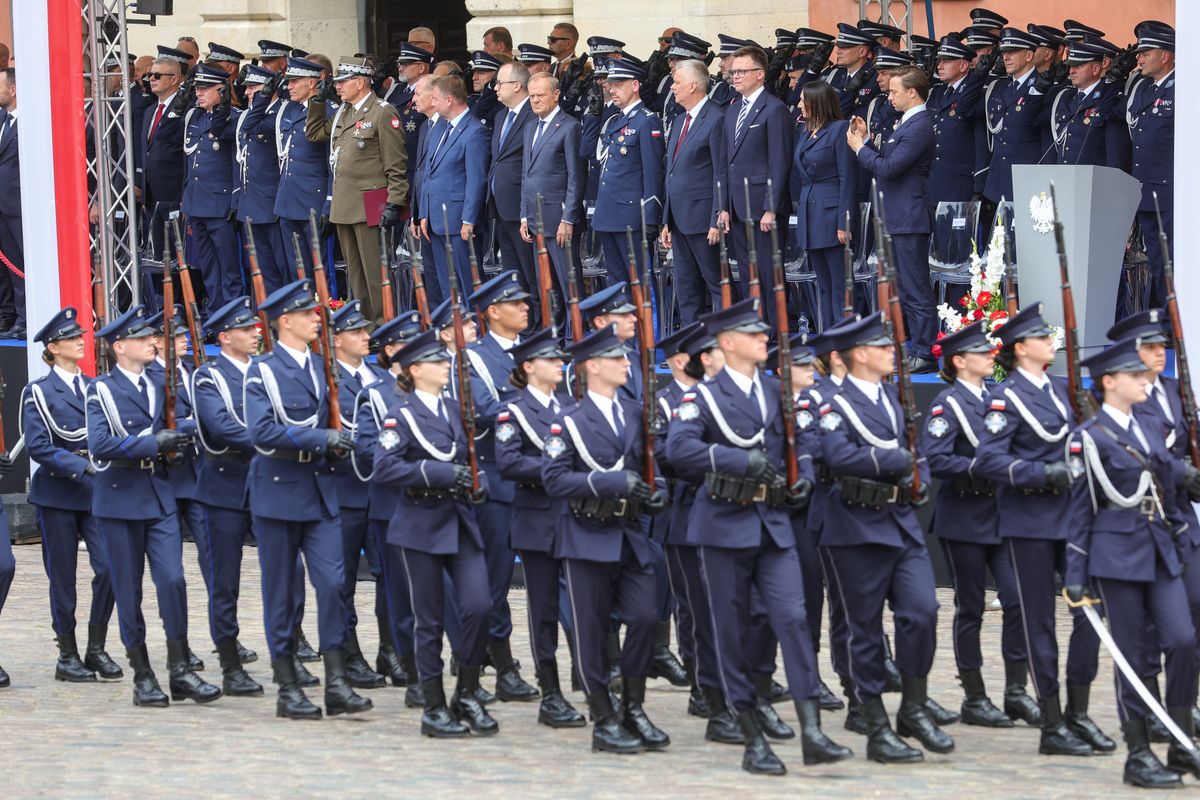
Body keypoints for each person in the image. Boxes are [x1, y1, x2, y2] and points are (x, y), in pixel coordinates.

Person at [666, 298, 851, 774]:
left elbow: (801, 441)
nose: (764, 339)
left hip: (772, 523)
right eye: (754, 335)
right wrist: (737, 461)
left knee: (791, 617)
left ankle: (811, 730)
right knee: (731, 630)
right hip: (723, 524)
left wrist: (804, 472)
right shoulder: (700, 398)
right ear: (727, 343)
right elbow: (680, 448)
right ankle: (750, 734)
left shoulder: (774, 392)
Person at [974, 303, 1111, 756]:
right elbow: (988, 460)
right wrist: (1038, 474)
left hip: (1069, 518)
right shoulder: (1004, 397)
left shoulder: (1058, 390)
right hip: (1029, 520)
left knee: (1089, 611)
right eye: (1040, 336)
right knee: (1040, 624)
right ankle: (1052, 722)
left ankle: (1079, 710)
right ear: (1020, 348)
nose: (1048, 340)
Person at [1065, 336, 1200, 788]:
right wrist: (1076, 575)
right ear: (1109, 382)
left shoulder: (1147, 423)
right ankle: (1139, 755)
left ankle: (1181, 741)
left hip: (1159, 547)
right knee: (1134, 657)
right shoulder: (1088, 438)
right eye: (1135, 375)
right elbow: (1080, 512)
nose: (1146, 380)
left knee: (1182, 641)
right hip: (1115, 556)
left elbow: (1169, 481)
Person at [817, 312, 949, 763]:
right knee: (865, 629)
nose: (891, 351)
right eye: (881, 346)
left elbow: (917, 452)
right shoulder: (835, 404)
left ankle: (913, 704)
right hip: (855, 525)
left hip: (900, 521)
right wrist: (894, 461)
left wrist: (921, 475)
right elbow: (836, 455)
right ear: (858, 355)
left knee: (922, 611)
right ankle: (874, 723)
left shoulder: (891, 398)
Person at [243, 279, 372, 720]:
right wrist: (324, 438)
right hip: (278, 490)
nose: (318, 319)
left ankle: (336, 680)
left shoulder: (323, 367)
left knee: (335, 583)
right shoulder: (262, 370)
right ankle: (288, 684)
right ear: (285, 322)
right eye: (308, 314)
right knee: (281, 591)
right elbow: (261, 432)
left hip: (319, 491)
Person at [542, 324, 668, 754]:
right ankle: (603, 715)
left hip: (629, 533)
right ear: (592, 366)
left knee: (647, 616)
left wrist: (657, 490)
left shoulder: (635, 412)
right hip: (586, 535)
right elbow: (555, 479)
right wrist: (615, 484)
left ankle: (633, 705)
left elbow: (651, 463)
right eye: (617, 358)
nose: (625, 363)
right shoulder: (569, 422)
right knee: (591, 631)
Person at [85, 305, 219, 707]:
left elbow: (171, 427)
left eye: (152, 337)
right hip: (119, 498)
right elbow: (100, 445)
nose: (152, 343)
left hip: (158, 493)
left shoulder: (161, 383)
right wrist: (152, 444)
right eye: (143, 339)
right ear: (120, 346)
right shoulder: (102, 390)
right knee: (129, 591)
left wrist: (178, 443)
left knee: (173, 580)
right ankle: (143, 674)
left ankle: (179, 670)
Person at [372, 328, 499, 737]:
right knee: (428, 621)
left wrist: (477, 484)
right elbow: (386, 468)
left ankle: (466, 690)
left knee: (479, 606)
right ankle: (433, 705)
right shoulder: (401, 414)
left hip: (459, 522)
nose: (447, 365)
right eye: (438, 361)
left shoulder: (452, 408)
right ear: (415, 370)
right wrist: (442, 474)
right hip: (420, 525)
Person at [922, 321, 1040, 727]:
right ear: (959, 361)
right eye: (980, 353)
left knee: (1017, 599)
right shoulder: (947, 404)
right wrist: (981, 467)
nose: (991, 356)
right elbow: (936, 459)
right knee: (970, 607)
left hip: (1001, 515)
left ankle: (1016, 691)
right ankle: (974, 696)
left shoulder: (995, 398)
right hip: (964, 517)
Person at [494, 327, 586, 727]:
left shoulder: (569, 404)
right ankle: (550, 691)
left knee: (583, 606)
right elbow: (509, 462)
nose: (559, 365)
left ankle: (588, 678)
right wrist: (555, 470)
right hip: (536, 519)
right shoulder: (512, 411)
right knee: (544, 608)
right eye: (551, 360)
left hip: (573, 516)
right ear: (529, 367)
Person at [22, 309, 119, 682]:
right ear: (53, 347)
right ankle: (67, 653)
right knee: (62, 578)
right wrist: (80, 466)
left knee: (110, 567)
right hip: (58, 493)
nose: (82, 341)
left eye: (82, 335)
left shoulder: (95, 387)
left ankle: (96, 646)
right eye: (72, 337)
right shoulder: (39, 392)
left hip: (94, 493)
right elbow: (38, 446)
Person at [461, 271, 541, 701]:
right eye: (515, 303)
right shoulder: (474, 358)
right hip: (498, 479)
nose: (525, 308)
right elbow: (486, 410)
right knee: (493, 581)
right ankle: (500, 662)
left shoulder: (537, 351)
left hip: (541, 478)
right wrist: (537, 405)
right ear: (493, 312)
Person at [189, 297, 266, 696]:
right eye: (246, 329)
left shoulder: (267, 371)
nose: (255, 333)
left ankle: (294, 641)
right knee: (225, 580)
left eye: (255, 327)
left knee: (288, 571)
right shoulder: (209, 377)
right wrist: (274, 440)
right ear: (224, 337)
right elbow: (221, 428)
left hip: (268, 485)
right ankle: (230, 659)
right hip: (225, 487)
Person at [352, 310, 425, 702]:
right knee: (396, 589)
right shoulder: (378, 393)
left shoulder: (429, 391)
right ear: (393, 351)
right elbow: (368, 449)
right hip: (389, 501)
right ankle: (400, 655)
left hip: (429, 506)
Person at [847, 65, 937, 373]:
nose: (889, 97)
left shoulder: (920, 125)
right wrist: (866, 141)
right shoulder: (906, 124)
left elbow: (889, 168)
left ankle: (925, 351)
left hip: (908, 217)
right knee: (904, 286)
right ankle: (915, 346)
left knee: (916, 287)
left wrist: (860, 150)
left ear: (912, 92)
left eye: (894, 91)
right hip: (897, 215)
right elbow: (886, 161)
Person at [306, 55, 409, 325]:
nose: (337, 87)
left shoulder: (382, 111)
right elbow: (315, 133)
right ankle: (365, 322)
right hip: (345, 202)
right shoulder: (345, 111)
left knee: (375, 271)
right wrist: (317, 101)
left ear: (361, 82)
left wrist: (395, 202)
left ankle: (383, 324)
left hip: (372, 201)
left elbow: (395, 164)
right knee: (355, 272)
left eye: (343, 82)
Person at [145, 306, 208, 673]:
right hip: (165, 480)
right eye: (177, 335)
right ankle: (178, 642)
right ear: (156, 341)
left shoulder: (193, 373)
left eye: (186, 334)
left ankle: (224, 637)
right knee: (171, 574)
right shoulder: (151, 376)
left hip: (196, 479)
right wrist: (192, 423)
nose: (185, 339)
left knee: (214, 563)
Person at [329, 300, 388, 689]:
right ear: (336, 340)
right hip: (345, 491)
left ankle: (392, 648)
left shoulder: (380, 377)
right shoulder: (327, 378)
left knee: (389, 574)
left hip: (381, 491)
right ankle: (349, 652)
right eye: (356, 332)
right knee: (343, 579)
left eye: (366, 331)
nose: (366, 337)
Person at [722, 46, 790, 328]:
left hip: (763, 207)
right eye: (733, 71)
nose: (735, 76)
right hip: (738, 206)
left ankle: (775, 332)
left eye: (741, 71)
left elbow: (779, 162)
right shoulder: (733, 108)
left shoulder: (774, 109)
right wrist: (724, 207)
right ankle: (755, 327)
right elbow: (729, 162)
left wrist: (771, 208)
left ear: (760, 75)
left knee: (768, 273)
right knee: (748, 273)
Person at [661, 59, 727, 324]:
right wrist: (666, 218)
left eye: (677, 83)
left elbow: (720, 172)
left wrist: (716, 218)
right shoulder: (679, 121)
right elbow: (672, 171)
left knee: (715, 283)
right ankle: (693, 341)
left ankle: (723, 340)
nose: (672, 88)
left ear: (693, 85)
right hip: (679, 218)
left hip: (704, 218)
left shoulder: (717, 118)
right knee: (686, 284)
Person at [415, 75, 488, 308]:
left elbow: (476, 181)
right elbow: (428, 173)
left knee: (468, 284)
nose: (432, 103)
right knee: (447, 286)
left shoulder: (474, 131)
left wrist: (469, 219)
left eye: (435, 98)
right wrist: (424, 213)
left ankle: (475, 333)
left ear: (449, 100)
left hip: (459, 222)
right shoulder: (438, 128)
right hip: (436, 220)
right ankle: (455, 333)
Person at [591, 56, 664, 290]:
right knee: (617, 285)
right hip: (608, 213)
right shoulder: (614, 120)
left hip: (632, 216)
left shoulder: (647, 121)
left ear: (635, 85)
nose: (612, 90)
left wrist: (651, 217)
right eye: (611, 85)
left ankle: (647, 328)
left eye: (619, 84)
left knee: (640, 284)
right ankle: (625, 328)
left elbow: (653, 173)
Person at [519, 73, 584, 332]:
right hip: (535, 220)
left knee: (568, 283)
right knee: (546, 284)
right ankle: (553, 335)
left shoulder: (569, 126)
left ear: (556, 95)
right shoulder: (530, 127)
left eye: (540, 95)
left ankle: (574, 336)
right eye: (532, 96)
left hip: (558, 219)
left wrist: (568, 219)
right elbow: (527, 173)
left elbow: (575, 177)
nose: (535, 101)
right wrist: (524, 215)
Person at [792, 81, 856, 332]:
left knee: (840, 283)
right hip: (811, 212)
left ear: (817, 102)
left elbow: (847, 178)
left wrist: (845, 221)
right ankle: (828, 335)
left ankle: (845, 337)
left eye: (803, 100)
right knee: (824, 282)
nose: (798, 104)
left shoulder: (840, 129)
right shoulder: (807, 130)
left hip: (832, 214)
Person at [182, 64, 241, 313]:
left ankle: (234, 316)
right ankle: (217, 317)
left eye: (206, 88)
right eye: (198, 88)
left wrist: (235, 200)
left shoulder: (233, 117)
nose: (199, 93)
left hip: (220, 204)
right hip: (197, 203)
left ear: (222, 90)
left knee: (228, 267)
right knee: (208, 267)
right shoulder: (194, 117)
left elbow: (237, 163)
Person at [1128, 21, 1175, 306]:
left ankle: (1179, 325)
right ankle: (1166, 324)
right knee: (1158, 261)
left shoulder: (1184, 88)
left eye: (1146, 52)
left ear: (1166, 55)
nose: (1140, 58)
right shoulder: (1147, 89)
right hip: (1148, 192)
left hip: (1170, 192)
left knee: (1174, 261)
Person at [234, 64, 290, 293]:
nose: (247, 92)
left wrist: (262, 100)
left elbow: (251, 125)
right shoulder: (255, 112)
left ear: (270, 89)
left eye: (253, 87)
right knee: (262, 271)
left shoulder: (281, 112)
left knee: (281, 267)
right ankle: (268, 321)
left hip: (272, 203)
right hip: (251, 202)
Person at [488, 62, 537, 318]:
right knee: (512, 273)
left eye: (500, 83)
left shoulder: (533, 113)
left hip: (522, 206)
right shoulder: (500, 115)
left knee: (531, 272)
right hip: (501, 205)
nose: (495, 88)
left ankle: (535, 324)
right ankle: (519, 323)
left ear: (517, 85)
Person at [981, 29, 1046, 222]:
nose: (1006, 57)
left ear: (1028, 55)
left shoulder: (1043, 87)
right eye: (1004, 52)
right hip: (997, 179)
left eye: (1012, 52)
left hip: (1027, 180)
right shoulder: (1001, 87)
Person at [136, 46, 190, 260]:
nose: (151, 79)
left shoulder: (185, 108)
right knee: (157, 253)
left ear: (175, 79)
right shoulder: (150, 110)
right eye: (149, 75)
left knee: (175, 255)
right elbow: (145, 151)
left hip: (174, 194)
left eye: (157, 75)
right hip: (151, 195)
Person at [925, 36, 986, 207]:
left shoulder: (976, 93)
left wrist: (978, 186)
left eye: (947, 61)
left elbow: (979, 142)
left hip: (960, 184)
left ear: (964, 65)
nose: (939, 66)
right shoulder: (937, 92)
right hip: (933, 181)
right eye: (939, 61)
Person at [1050, 39, 1128, 169]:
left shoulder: (1111, 100)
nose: (1071, 71)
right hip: (1064, 180)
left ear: (1096, 68)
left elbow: (1115, 156)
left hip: (1094, 184)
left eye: (1078, 66)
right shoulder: (1065, 97)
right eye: (1071, 66)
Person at [0, 68, 24, 338]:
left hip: (19, 206)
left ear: (14, 89)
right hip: (3, 207)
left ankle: (28, 318)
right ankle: (19, 317)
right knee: (13, 267)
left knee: (23, 266)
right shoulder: (2, 120)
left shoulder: (26, 122)